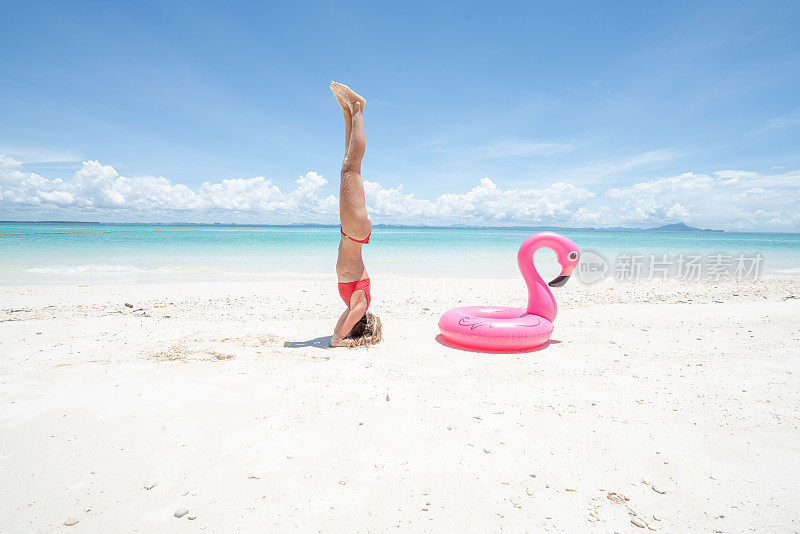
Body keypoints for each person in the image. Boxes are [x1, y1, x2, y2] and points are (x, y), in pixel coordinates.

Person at [329, 81, 382, 347]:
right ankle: (358, 108)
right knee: (352, 169)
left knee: (347, 167)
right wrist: (342, 341)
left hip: (351, 233)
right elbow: (337, 337)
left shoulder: (353, 305)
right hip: (355, 232)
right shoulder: (361, 306)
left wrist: (340, 336)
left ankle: (348, 112)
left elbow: (337, 329)